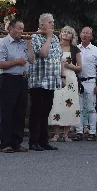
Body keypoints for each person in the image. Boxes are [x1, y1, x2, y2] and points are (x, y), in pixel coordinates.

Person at [0, 19, 35, 153]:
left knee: (20, 111)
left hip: (22, 79)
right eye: (19, 28)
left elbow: (31, 59)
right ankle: (5, 143)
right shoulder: (3, 43)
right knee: (8, 111)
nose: (21, 31)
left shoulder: (24, 43)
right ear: (11, 28)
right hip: (8, 79)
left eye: (22, 28)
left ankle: (16, 142)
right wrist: (16, 62)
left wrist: (29, 45)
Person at [28, 14, 63, 151]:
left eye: (53, 22)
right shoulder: (35, 37)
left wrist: (63, 75)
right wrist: (48, 38)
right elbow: (43, 53)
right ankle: (33, 141)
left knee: (46, 111)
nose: (53, 24)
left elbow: (59, 57)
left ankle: (44, 141)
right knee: (36, 111)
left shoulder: (55, 38)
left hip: (51, 80)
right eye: (50, 22)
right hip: (38, 80)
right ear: (42, 25)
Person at [49, 26, 81, 142]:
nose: (65, 34)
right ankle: (56, 134)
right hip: (57, 77)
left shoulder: (75, 49)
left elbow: (80, 67)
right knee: (56, 103)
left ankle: (66, 134)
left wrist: (70, 66)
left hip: (70, 79)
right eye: (64, 32)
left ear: (72, 36)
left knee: (69, 105)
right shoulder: (55, 47)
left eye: (68, 33)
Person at [73, 27, 97, 141]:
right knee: (78, 108)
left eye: (87, 33)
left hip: (90, 81)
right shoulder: (76, 49)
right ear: (80, 35)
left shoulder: (96, 50)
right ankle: (79, 131)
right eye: (83, 32)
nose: (85, 35)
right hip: (78, 80)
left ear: (91, 36)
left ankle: (92, 132)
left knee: (91, 108)